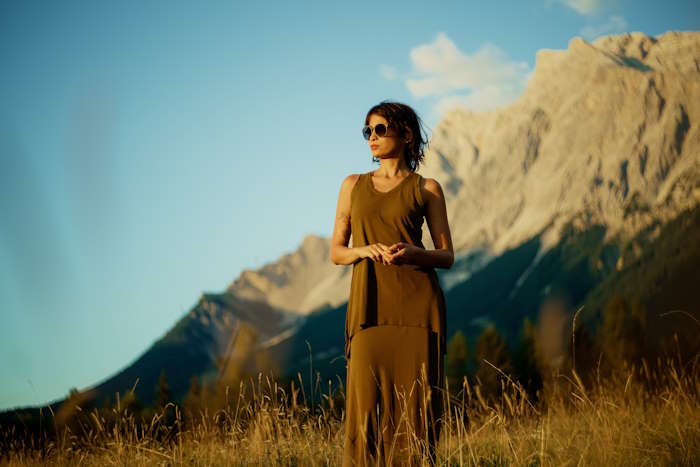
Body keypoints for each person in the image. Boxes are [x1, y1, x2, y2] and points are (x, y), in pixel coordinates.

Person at [330, 100, 454, 466]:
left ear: (406, 135)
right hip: (368, 312)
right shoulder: (352, 185)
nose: (372, 137)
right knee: (364, 416)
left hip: (418, 314)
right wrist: (364, 249)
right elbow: (337, 251)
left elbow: (447, 255)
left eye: (380, 129)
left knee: (416, 422)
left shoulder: (426, 188)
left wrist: (413, 253)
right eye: (367, 130)